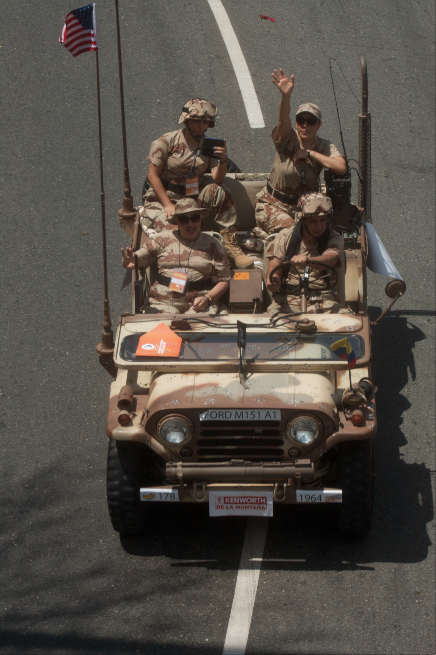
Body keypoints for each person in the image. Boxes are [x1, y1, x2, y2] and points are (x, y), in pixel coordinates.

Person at [142, 98, 253, 268]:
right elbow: (152, 176)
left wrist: (223, 160)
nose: (201, 126)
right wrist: (167, 204)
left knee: (218, 190)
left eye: (205, 122)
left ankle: (231, 246)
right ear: (186, 121)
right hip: (164, 198)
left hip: (192, 198)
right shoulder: (166, 142)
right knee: (173, 231)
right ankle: (182, 263)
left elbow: (218, 178)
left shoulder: (209, 146)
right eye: (196, 121)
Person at [255, 69, 347, 236]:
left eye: (310, 121)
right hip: (273, 205)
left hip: (305, 209)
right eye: (301, 120)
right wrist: (286, 96)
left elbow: (341, 167)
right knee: (292, 233)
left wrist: (310, 154)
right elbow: (283, 120)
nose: (305, 125)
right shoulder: (288, 139)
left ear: (318, 125)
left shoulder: (324, 146)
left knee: (325, 236)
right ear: (296, 123)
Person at [122, 198, 231, 315]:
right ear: (177, 222)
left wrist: (208, 298)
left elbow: (223, 281)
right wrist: (134, 259)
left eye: (194, 218)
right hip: (164, 301)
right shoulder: (161, 239)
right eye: (184, 220)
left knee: (199, 330)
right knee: (164, 330)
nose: (190, 224)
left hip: (200, 301)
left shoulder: (213, 244)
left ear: (200, 219)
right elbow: (143, 255)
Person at [266, 193, 352, 314]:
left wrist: (308, 260)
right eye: (313, 221)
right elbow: (274, 268)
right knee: (271, 323)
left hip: (323, 298)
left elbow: (330, 258)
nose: (319, 226)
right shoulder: (285, 237)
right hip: (288, 299)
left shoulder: (334, 238)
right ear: (302, 220)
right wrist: (274, 280)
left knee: (347, 321)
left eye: (323, 220)